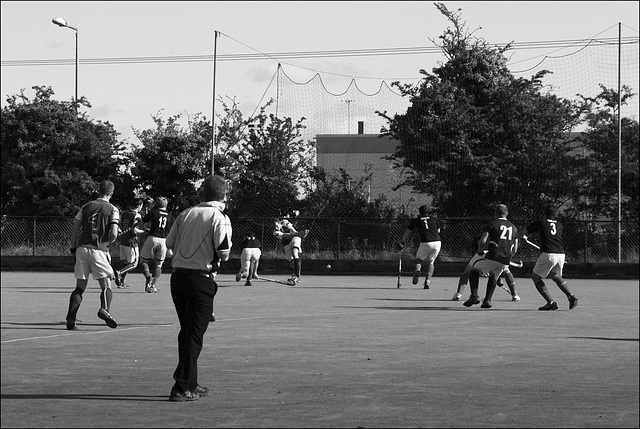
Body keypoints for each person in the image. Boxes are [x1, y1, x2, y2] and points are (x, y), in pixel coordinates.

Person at [165, 174, 233, 402]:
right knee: (194, 334)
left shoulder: (186, 213)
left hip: (178, 279)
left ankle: (190, 382)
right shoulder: (219, 217)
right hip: (200, 280)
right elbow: (223, 251)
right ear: (224, 195)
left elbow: (169, 243)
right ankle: (181, 386)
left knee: (187, 332)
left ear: (202, 194)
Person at [65, 180, 120, 330]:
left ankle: (71, 319)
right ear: (111, 193)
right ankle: (104, 309)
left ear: (98, 191)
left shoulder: (86, 207)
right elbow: (114, 234)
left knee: (79, 287)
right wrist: (108, 242)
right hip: (99, 250)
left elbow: (75, 230)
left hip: (82, 250)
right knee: (106, 286)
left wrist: (73, 249)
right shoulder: (113, 209)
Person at [521, 205, 578, 311]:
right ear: (555, 214)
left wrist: (523, 237)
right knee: (554, 275)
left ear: (544, 213)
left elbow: (522, 233)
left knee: (535, 277)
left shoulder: (541, 222)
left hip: (548, 254)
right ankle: (571, 296)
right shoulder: (559, 224)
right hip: (560, 254)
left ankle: (550, 302)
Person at [463, 204, 518, 309]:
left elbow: (483, 240)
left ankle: (474, 296)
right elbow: (515, 249)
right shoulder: (514, 227)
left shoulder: (492, 223)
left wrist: (480, 250)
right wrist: (508, 256)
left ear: (495, 213)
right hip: (505, 259)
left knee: (474, 271)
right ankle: (487, 301)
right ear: (507, 213)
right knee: (493, 275)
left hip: (493, 255)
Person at [453, 233, 521, 302]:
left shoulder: (489, 233)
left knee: (469, 271)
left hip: (488, 256)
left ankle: (461, 294)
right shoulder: (503, 238)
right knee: (505, 270)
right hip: (497, 257)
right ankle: (514, 295)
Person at [400, 204, 442, 289]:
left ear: (420, 212)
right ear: (429, 212)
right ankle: (427, 281)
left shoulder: (416, 220)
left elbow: (408, 232)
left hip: (426, 242)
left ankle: (418, 271)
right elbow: (438, 230)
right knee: (431, 262)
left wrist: (402, 242)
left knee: (418, 260)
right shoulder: (434, 219)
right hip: (437, 242)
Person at [140, 197, 174, 293]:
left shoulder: (153, 212)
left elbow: (141, 224)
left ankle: (148, 276)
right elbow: (171, 232)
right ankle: (152, 285)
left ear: (157, 204)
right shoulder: (170, 217)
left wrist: (147, 230)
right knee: (159, 265)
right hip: (164, 241)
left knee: (143, 261)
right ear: (166, 205)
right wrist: (170, 248)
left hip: (152, 238)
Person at [114, 198, 144, 289]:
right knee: (134, 263)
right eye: (141, 206)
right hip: (131, 242)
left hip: (123, 241)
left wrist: (119, 231)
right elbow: (134, 230)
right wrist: (144, 232)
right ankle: (119, 273)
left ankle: (121, 282)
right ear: (139, 206)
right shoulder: (136, 215)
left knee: (127, 262)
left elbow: (118, 225)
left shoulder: (123, 213)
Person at [273, 216, 309, 285]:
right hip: (286, 244)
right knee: (292, 263)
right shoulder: (275, 233)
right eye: (274, 227)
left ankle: (296, 276)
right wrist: (300, 233)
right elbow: (287, 236)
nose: (276, 227)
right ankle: (297, 276)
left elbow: (293, 231)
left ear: (278, 222)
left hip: (295, 238)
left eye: (276, 225)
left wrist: (300, 235)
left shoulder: (284, 222)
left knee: (295, 253)